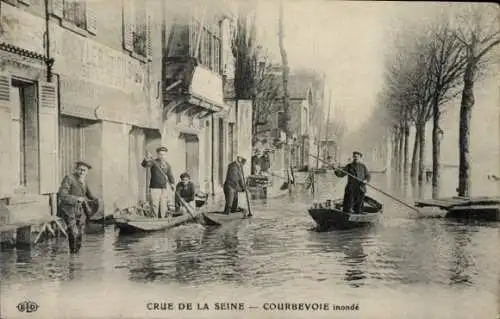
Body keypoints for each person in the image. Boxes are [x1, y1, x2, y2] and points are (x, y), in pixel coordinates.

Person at [57, 161, 103, 254]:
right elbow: (62, 195)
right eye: (80, 170)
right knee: (73, 233)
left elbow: (89, 195)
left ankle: (76, 257)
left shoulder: (84, 181)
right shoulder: (69, 179)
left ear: (87, 172)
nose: (82, 172)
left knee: (79, 234)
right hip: (68, 210)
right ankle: (73, 258)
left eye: (84, 170)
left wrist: (97, 200)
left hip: (78, 211)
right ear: (76, 169)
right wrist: (77, 199)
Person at [141, 146, 175, 218]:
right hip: (154, 188)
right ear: (157, 154)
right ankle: (154, 218)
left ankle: (162, 219)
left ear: (166, 155)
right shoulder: (153, 162)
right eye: (160, 154)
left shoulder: (167, 165)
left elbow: (170, 175)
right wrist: (146, 160)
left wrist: (172, 184)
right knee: (155, 205)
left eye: (164, 154)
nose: (162, 156)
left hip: (164, 188)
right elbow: (144, 165)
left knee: (163, 205)